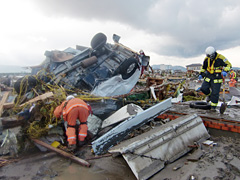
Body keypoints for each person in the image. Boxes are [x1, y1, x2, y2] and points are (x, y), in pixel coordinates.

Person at [198, 46, 232, 111]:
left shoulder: (221, 58)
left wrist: (225, 70)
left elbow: (229, 65)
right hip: (208, 76)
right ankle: (209, 96)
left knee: (215, 93)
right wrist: (201, 74)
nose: (209, 57)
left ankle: (213, 107)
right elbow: (203, 68)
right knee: (203, 88)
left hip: (217, 78)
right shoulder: (206, 59)